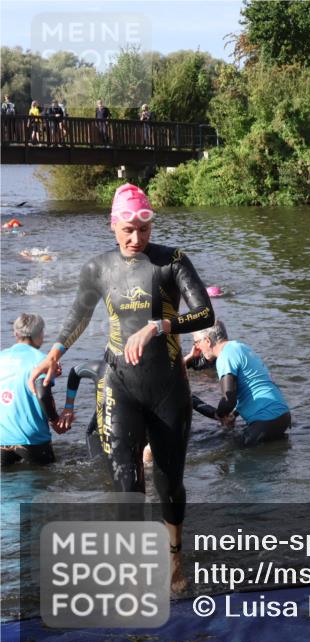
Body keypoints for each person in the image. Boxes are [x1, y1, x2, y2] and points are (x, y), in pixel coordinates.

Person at [30, 183, 214, 593]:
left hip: (167, 384)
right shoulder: (98, 268)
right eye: (128, 230)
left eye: (144, 230)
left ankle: (174, 557)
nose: (136, 239)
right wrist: (55, 351)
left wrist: (161, 325)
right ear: (113, 225)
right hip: (119, 385)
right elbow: (79, 312)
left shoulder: (172, 261)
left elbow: (204, 313)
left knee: (169, 481)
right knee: (126, 482)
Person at [59, 359, 217, 461]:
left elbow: (186, 395)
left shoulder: (149, 376)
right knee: (100, 465)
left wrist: (216, 414)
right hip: (99, 431)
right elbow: (74, 372)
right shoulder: (101, 369)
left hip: (133, 430)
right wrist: (68, 407)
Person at [193, 321, 291, 446]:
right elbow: (252, 386)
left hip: (265, 421)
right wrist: (233, 415)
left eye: (196, 342)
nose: (197, 348)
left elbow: (228, 400)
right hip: (283, 416)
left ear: (207, 341)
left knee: (225, 452)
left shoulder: (224, 356)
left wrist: (220, 415)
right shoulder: (240, 347)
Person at [1, 314, 67, 466]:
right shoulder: (42, 360)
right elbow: (43, 394)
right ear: (39, 334)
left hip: (2, 439)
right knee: (43, 485)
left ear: (15, 333)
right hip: (33, 440)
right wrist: (55, 420)